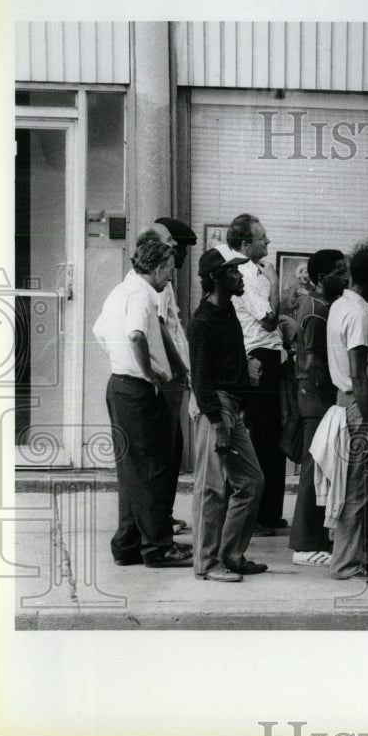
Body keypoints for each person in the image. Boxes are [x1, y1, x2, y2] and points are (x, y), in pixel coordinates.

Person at [92, 239, 190, 569]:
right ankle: (158, 547)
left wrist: (124, 363)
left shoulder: (120, 290)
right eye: (170, 272)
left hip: (119, 385)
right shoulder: (142, 295)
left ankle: (127, 543)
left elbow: (99, 332)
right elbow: (136, 335)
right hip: (137, 390)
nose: (170, 280)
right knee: (152, 469)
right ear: (159, 268)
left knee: (132, 470)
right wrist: (150, 373)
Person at [188, 244, 268, 582]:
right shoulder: (202, 321)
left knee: (251, 481)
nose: (240, 276)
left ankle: (231, 554)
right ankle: (207, 563)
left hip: (231, 405)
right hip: (214, 409)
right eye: (233, 271)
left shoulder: (228, 312)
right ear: (216, 278)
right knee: (211, 488)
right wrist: (218, 423)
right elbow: (201, 379)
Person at [325, 248, 368, 580]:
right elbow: (359, 374)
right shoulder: (359, 315)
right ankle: (346, 562)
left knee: (357, 484)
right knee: (359, 487)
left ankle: (353, 555)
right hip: (361, 401)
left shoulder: (341, 305)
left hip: (348, 399)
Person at [226, 213, 287, 535]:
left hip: (272, 355)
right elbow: (268, 319)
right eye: (262, 237)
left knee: (271, 434)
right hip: (259, 355)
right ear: (246, 243)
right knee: (262, 435)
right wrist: (276, 283)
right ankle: (259, 514)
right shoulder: (246, 275)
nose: (268, 241)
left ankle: (269, 511)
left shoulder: (255, 272)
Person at [289, 249, 346, 567]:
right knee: (314, 469)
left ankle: (317, 538)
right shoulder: (314, 310)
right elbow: (310, 361)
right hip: (316, 398)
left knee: (323, 468)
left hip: (323, 398)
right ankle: (304, 544)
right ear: (323, 278)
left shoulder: (327, 307)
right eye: (340, 270)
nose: (346, 275)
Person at [154, 217, 198, 538]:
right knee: (166, 451)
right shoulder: (158, 285)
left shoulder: (166, 284)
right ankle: (159, 519)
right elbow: (157, 328)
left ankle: (164, 516)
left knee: (174, 448)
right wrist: (178, 368)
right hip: (167, 379)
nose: (182, 257)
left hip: (175, 377)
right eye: (181, 249)